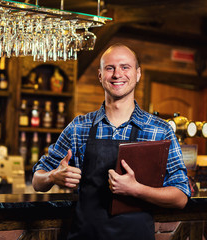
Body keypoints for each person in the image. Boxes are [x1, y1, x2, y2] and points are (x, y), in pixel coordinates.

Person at [32, 43, 191, 240]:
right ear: (100, 75)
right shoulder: (78, 127)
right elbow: (37, 181)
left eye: (125, 67)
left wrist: (136, 189)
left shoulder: (160, 130)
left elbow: (181, 196)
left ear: (138, 74)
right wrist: (53, 176)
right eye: (110, 68)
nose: (117, 74)